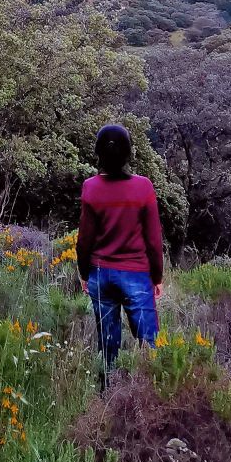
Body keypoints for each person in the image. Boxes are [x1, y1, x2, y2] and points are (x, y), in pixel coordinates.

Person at [76, 123, 164, 378]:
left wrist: (84, 274)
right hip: (136, 274)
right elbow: (153, 240)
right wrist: (156, 278)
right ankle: (150, 397)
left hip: (101, 274)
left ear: (99, 153)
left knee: (108, 345)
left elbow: (85, 240)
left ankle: (108, 398)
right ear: (128, 153)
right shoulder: (144, 187)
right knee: (149, 345)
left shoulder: (90, 187)